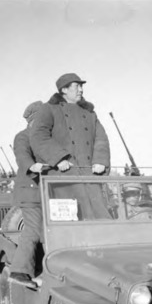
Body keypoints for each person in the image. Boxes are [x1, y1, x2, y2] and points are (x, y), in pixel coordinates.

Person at [30, 73, 111, 220]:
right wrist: (59, 159)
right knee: (71, 223)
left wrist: (100, 160)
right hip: (63, 179)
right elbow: (38, 136)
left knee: (100, 219)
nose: (81, 90)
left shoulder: (89, 112)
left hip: (90, 176)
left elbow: (101, 138)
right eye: (77, 86)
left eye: (81, 86)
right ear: (64, 90)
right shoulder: (49, 109)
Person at [9, 101, 47, 289]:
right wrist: (32, 165)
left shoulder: (47, 138)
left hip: (48, 193)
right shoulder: (23, 137)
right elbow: (22, 155)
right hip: (30, 192)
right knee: (33, 229)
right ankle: (19, 271)